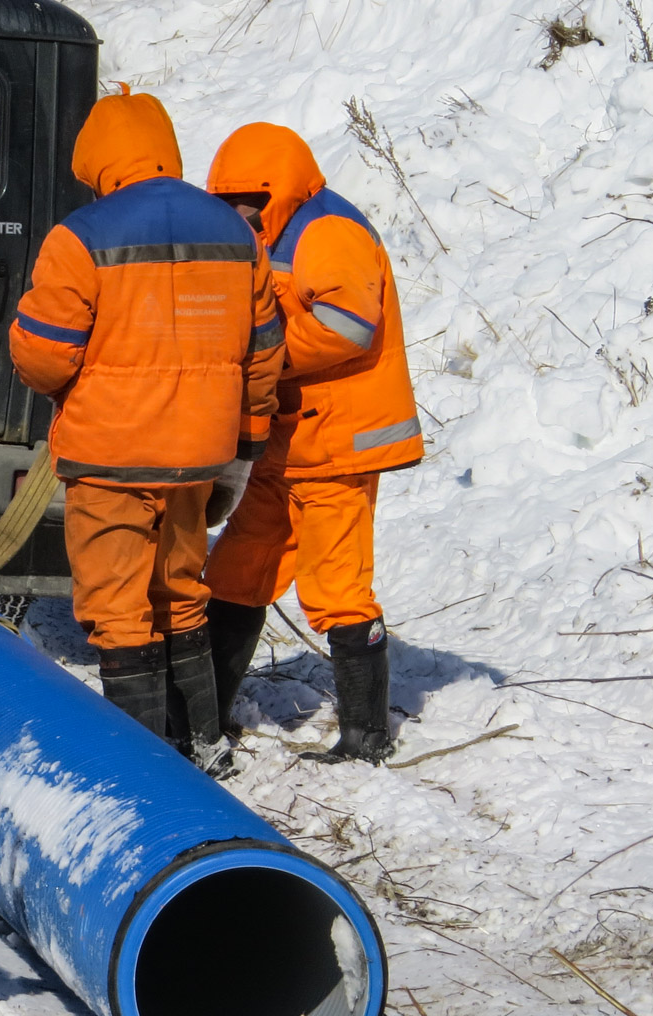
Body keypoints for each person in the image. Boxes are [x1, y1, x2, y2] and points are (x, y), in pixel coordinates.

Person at [8, 90, 284, 775]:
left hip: (111, 455)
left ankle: (140, 765)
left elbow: (42, 354)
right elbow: (265, 352)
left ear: (99, 160)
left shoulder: (81, 236)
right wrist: (242, 445)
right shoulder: (234, 233)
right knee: (181, 593)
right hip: (198, 456)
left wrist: (67, 383)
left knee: (119, 610)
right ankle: (204, 743)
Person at [202, 122, 424, 765]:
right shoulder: (264, 233)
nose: (238, 215)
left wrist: (259, 356)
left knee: (335, 589)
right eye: (227, 202)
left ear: (278, 192)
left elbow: (347, 326)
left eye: (248, 203)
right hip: (286, 440)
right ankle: (208, 710)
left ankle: (365, 736)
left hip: (336, 444)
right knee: (237, 573)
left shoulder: (330, 231)